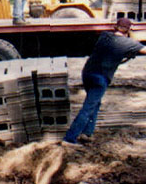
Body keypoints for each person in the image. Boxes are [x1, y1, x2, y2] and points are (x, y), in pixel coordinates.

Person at [63, 17, 146, 145]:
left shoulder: (104, 36)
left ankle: (87, 133)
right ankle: (70, 138)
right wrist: (133, 38)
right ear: (128, 30)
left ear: (115, 27)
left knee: (95, 103)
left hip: (87, 73)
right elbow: (142, 49)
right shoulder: (129, 44)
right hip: (101, 78)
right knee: (88, 107)